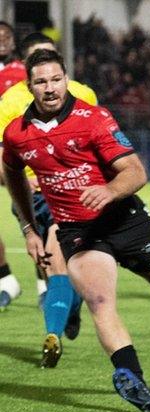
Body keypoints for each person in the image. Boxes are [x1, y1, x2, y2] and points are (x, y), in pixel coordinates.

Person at [3, 49, 150, 412]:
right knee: (99, 300)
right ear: (29, 86)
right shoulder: (17, 134)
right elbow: (13, 175)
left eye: (55, 79)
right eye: (41, 82)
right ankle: (131, 377)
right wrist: (29, 228)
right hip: (79, 232)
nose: (50, 88)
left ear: (66, 78)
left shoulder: (93, 118)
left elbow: (136, 171)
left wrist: (110, 190)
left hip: (124, 220)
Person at [0, 33, 94, 366]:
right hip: (29, 195)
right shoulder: (9, 102)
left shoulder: (83, 93)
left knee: (56, 256)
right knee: (48, 263)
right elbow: (5, 159)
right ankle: (69, 306)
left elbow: (96, 144)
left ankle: (51, 336)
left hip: (69, 193)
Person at [0, 21, 26, 309]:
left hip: (17, 148)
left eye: (7, 37)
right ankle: (5, 278)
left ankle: (45, 280)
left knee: (27, 210)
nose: (2, 41)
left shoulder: (21, 72)